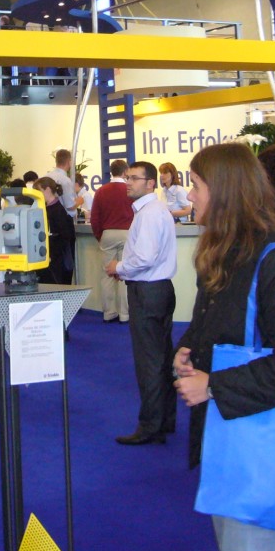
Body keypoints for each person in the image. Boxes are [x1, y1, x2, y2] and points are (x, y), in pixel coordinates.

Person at [173, 142, 275, 551]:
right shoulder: (224, 254)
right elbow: (214, 325)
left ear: (224, 190)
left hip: (264, 448)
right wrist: (187, 349)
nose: (190, 196)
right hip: (231, 439)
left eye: (196, 185)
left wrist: (214, 386)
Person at [104, 161, 176, 445]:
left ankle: (150, 426)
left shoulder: (149, 214)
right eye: (128, 178)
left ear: (150, 183)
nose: (128, 183)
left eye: (135, 178)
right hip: (157, 290)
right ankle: (163, 420)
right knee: (160, 359)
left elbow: (144, 258)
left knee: (150, 362)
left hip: (148, 292)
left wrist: (119, 267)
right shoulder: (154, 210)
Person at [89, 159, 133, 323]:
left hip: (107, 234)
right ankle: (125, 314)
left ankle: (109, 312)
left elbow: (95, 218)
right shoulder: (129, 189)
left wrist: (100, 236)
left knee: (107, 274)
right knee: (125, 273)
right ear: (125, 172)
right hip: (127, 233)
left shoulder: (101, 191)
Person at [34, 176, 76, 284]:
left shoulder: (56, 211)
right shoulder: (52, 209)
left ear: (47, 190)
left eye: (39, 191)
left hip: (56, 261)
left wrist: (52, 255)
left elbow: (64, 236)